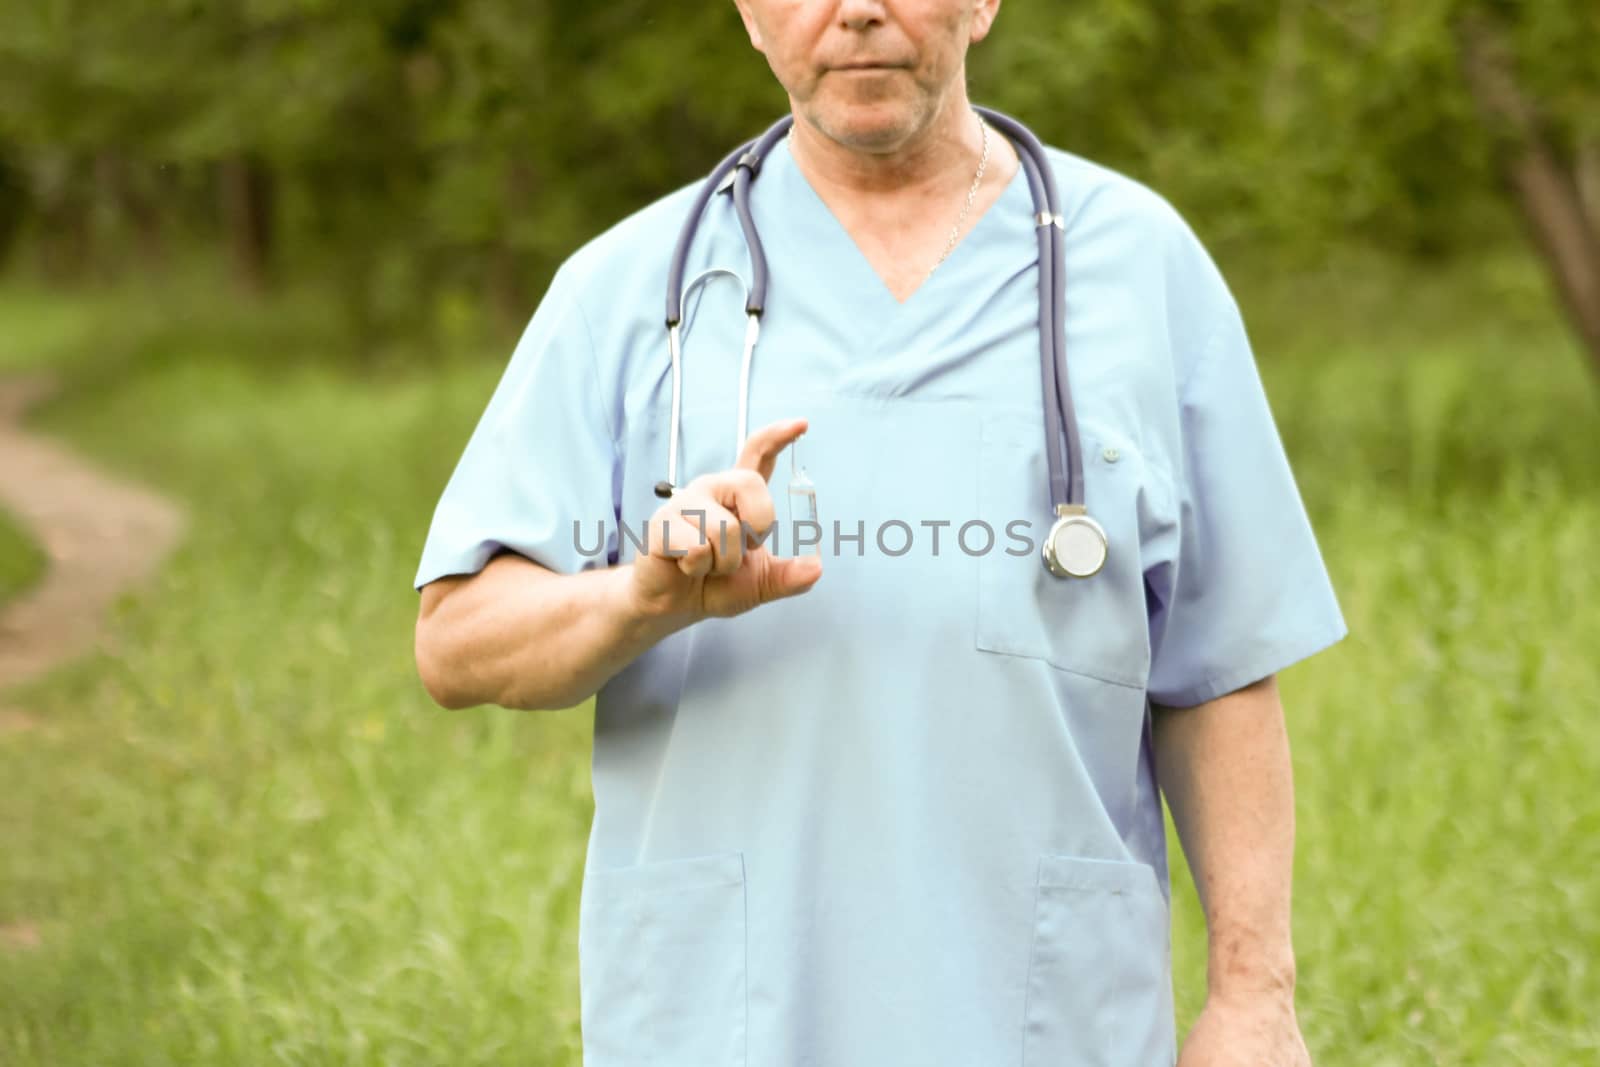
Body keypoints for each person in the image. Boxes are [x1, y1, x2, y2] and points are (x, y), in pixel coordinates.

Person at [412, 1, 1347, 1064]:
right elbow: (455, 641)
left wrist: (1253, 994)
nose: (857, 9)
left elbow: (1217, 669)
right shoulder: (626, 290)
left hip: (1048, 1014)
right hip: (726, 1016)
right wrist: (636, 598)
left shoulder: (1139, 266)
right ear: (750, 15)